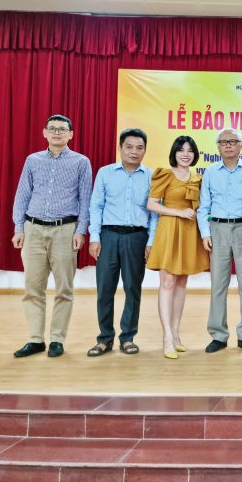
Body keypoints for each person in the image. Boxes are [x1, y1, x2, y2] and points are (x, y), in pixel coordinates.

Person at [11, 114, 92, 358]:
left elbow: (85, 199)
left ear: (71, 134)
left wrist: (81, 230)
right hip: (33, 229)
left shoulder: (81, 162)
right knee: (33, 288)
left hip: (65, 230)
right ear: (44, 133)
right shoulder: (33, 160)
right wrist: (18, 227)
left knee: (64, 289)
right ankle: (36, 339)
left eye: (62, 129)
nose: (57, 132)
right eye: (53, 128)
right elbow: (22, 194)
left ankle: (57, 338)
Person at [87, 129, 157, 357]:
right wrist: (94, 237)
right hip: (108, 237)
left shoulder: (151, 176)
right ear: (120, 148)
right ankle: (104, 338)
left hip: (137, 238)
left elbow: (154, 214)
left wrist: (151, 241)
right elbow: (96, 206)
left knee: (132, 289)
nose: (134, 152)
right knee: (105, 290)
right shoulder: (105, 173)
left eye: (139, 148)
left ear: (144, 150)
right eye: (129, 147)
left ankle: (128, 337)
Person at [146, 135, 209, 359]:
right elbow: (151, 204)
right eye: (181, 149)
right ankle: (166, 338)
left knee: (182, 282)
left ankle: (175, 333)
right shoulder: (164, 173)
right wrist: (178, 212)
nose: (185, 154)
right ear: (174, 152)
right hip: (169, 229)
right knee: (167, 282)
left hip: (190, 232)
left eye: (190, 150)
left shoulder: (199, 178)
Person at [197, 129, 242, 354]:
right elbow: (203, 206)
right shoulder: (210, 172)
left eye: (233, 141)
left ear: (241, 145)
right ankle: (218, 335)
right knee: (217, 285)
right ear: (218, 147)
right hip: (218, 229)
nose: (228, 145)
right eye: (224, 142)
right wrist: (205, 233)